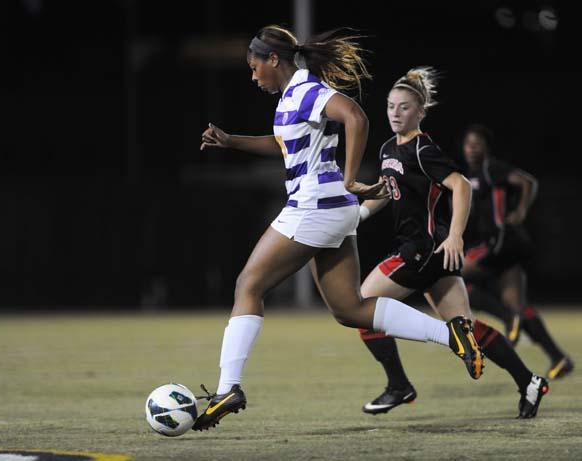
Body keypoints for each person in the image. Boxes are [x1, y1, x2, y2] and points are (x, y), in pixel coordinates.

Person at [192, 26, 483, 432]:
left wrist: (350, 178)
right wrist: (231, 141)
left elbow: (355, 116)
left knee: (248, 286)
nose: (252, 75)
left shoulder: (306, 89)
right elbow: (282, 145)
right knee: (351, 310)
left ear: (273, 59)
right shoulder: (291, 97)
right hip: (332, 210)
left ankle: (229, 388)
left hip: (315, 205)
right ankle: (452, 335)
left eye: (254, 66)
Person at [356, 68, 549, 418]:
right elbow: (387, 190)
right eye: (390, 107)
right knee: (466, 329)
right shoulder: (388, 148)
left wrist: (457, 234)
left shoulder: (422, 148)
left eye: (403, 108)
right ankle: (529, 382)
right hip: (434, 251)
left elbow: (459, 186)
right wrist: (357, 216)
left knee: (361, 306)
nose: (395, 113)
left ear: (420, 112)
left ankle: (398, 385)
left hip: (422, 248)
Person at [462, 124, 573, 380]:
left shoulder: (492, 168)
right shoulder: (475, 173)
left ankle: (507, 317)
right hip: (507, 246)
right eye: (468, 144)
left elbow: (527, 182)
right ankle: (558, 357)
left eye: (476, 144)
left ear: (485, 147)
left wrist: (521, 211)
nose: (471, 149)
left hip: (501, 242)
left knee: (455, 276)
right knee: (518, 306)